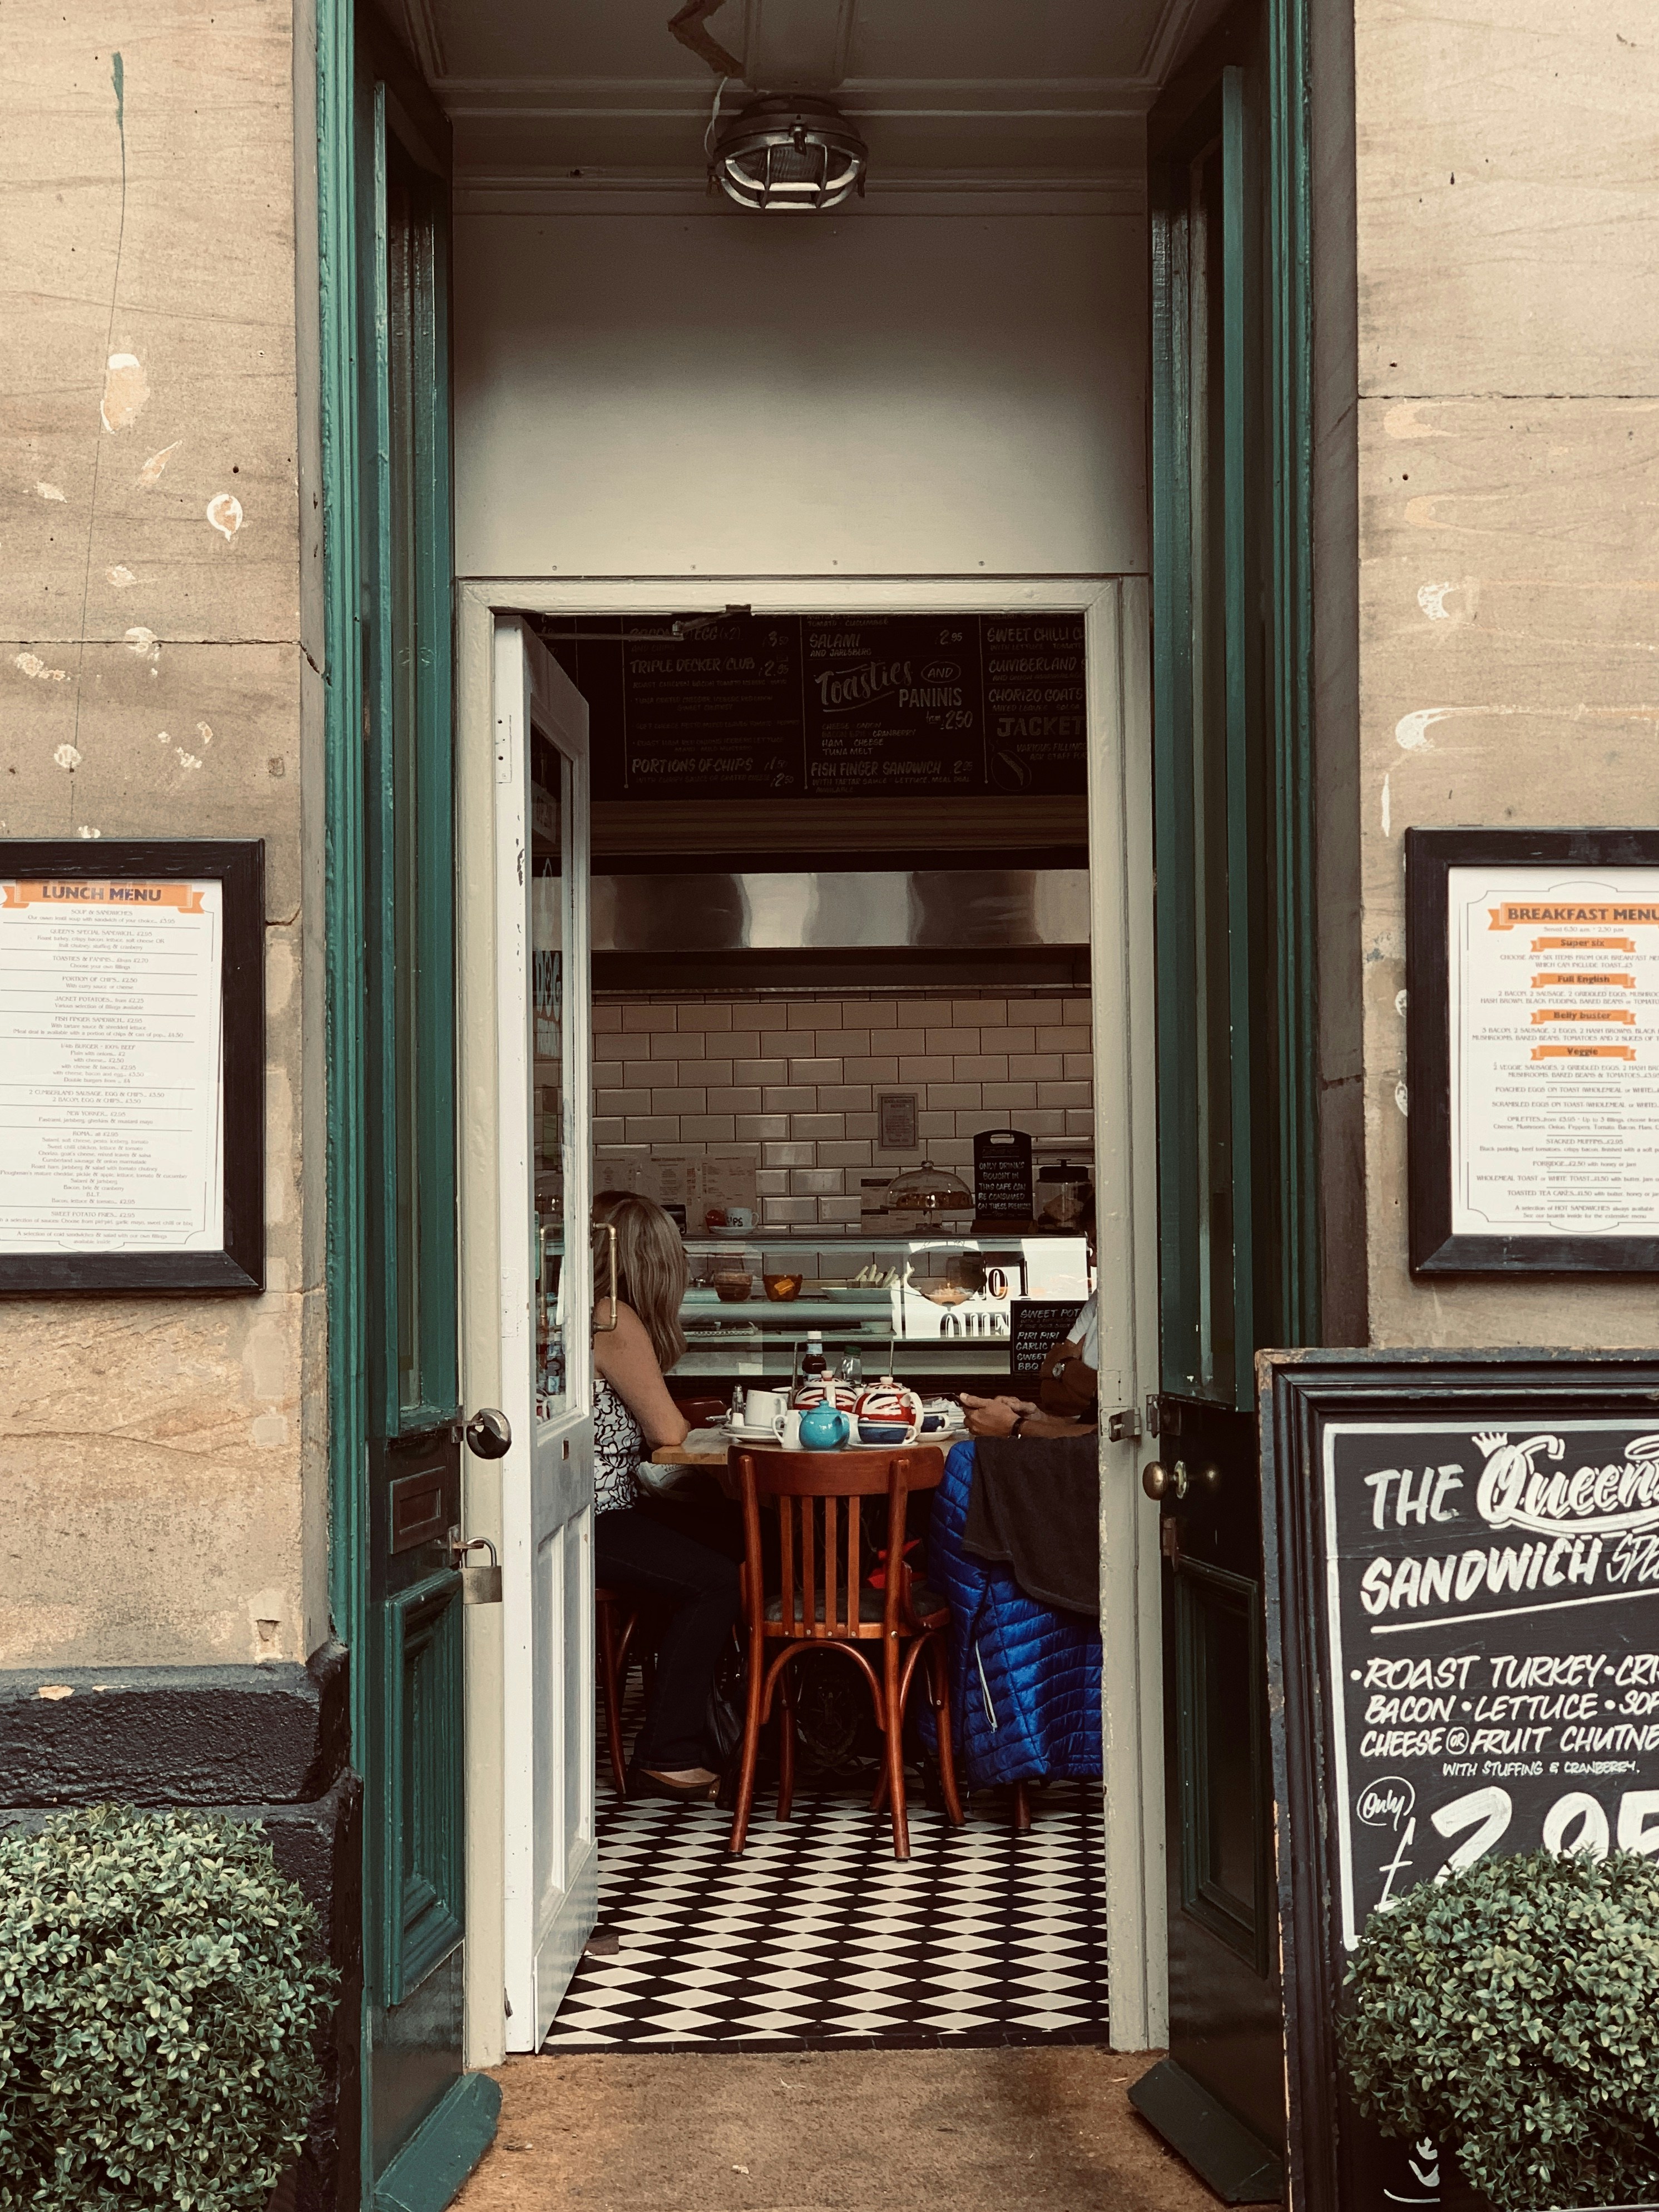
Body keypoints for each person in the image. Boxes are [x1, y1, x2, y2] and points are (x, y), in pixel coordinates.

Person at [590, 1190, 739, 1803]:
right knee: (717, 1579)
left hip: (608, 1505)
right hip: (590, 1516)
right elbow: (668, 1434)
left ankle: (738, 1715)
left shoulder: (602, 1312)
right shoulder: (612, 1318)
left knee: (736, 1538)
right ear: (652, 1261)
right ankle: (669, 1751)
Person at [961, 1186, 1099, 1441]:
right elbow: (1058, 1381)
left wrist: (1015, 1427)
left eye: (1097, 1245)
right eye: (1090, 1246)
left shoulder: (1142, 1316)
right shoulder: (1101, 1300)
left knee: (967, 1457)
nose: (1092, 1261)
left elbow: (1101, 1437)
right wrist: (1033, 1416)